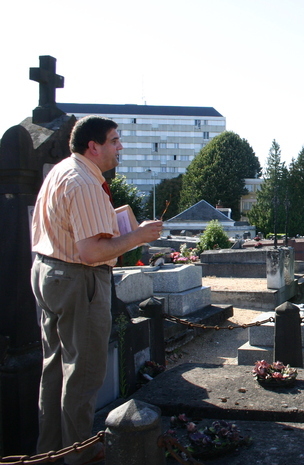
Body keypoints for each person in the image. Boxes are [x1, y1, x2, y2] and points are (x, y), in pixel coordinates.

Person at [31, 116, 162, 464]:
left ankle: (51, 451)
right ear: (94, 146)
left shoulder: (63, 171)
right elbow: (90, 252)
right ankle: (79, 454)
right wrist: (139, 235)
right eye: (114, 140)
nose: (120, 147)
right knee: (84, 372)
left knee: (55, 369)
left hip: (50, 271)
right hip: (79, 278)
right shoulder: (85, 183)